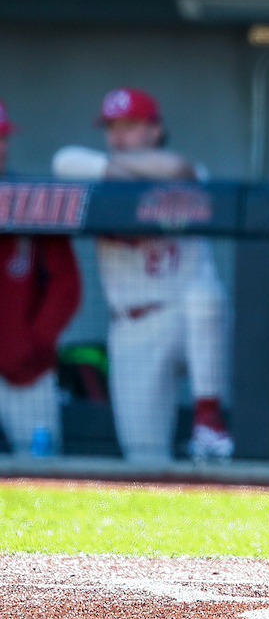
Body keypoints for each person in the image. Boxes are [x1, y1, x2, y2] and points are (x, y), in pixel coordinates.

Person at [51, 87, 233, 464]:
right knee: (143, 458)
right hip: (131, 328)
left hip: (183, 317)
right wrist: (116, 169)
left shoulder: (192, 173)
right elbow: (62, 161)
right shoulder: (98, 177)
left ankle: (208, 420)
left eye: (131, 126)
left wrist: (116, 169)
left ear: (156, 130)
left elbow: (178, 170)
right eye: (112, 127)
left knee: (206, 296)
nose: (119, 136)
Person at [0, 99, 83, 456]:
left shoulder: (34, 200)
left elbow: (68, 286)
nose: (1, 148)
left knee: (40, 472)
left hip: (27, 369)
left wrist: (31, 341)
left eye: (4, 138)